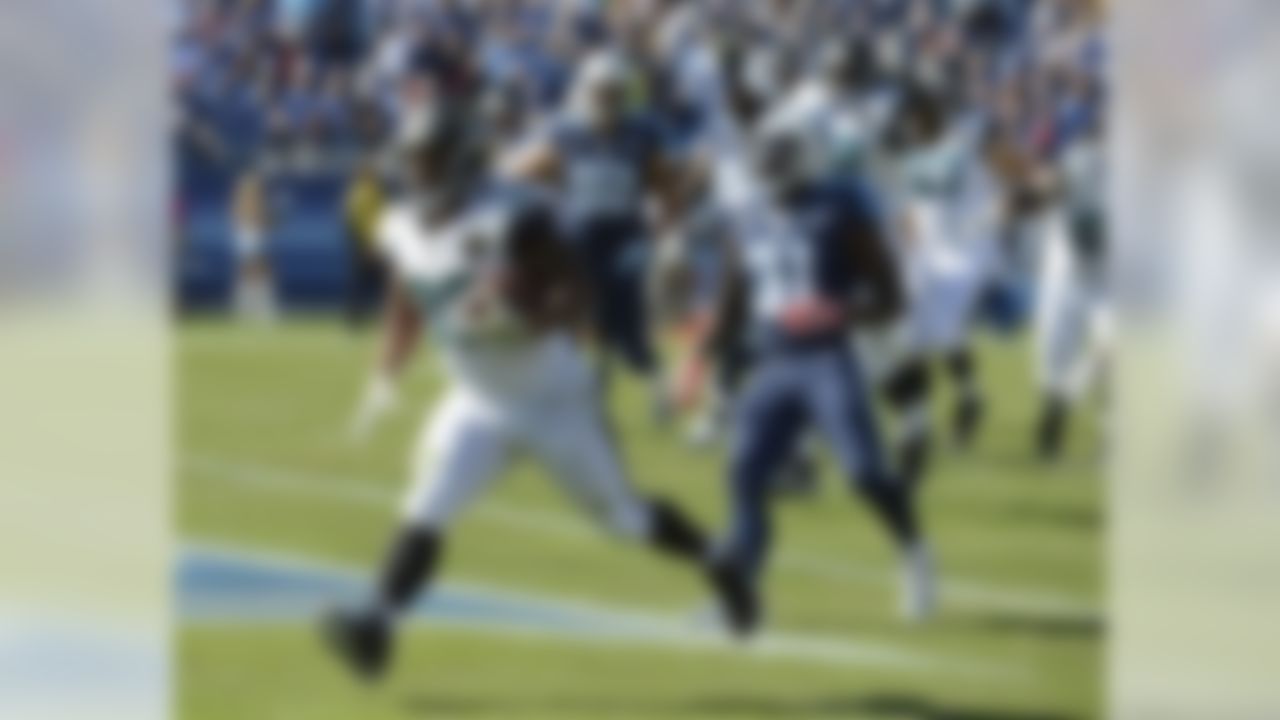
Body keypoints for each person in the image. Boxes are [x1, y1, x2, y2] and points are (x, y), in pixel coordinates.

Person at [324, 105, 752, 680]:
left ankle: (721, 564)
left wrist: (524, 318)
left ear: (457, 164)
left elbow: (579, 293)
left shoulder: (512, 217)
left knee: (624, 518)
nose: (418, 175)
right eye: (413, 163)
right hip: (478, 400)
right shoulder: (400, 224)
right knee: (427, 507)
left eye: (428, 163)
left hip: (552, 399)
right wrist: (387, 369)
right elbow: (407, 292)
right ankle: (375, 626)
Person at [705, 114, 936, 635]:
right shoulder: (749, 215)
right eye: (763, 158)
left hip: (827, 359)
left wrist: (843, 312)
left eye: (778, 158)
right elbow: (735, 293)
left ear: (803, 159)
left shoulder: (839, 208)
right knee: (743, 473)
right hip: (774, 362)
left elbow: (892, 298)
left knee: (863, 472)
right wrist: (713, 354)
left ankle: (915, 551)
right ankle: (743, 596)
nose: (769, 168)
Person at [342, 160, 388, 327]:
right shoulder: (364, 192)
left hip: (371, 242)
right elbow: (356, 221)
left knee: (369, 281)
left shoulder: (365, 191)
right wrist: (366, 244)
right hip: (367, 243)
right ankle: (355, 317)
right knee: (367, 281)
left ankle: (356, 316)